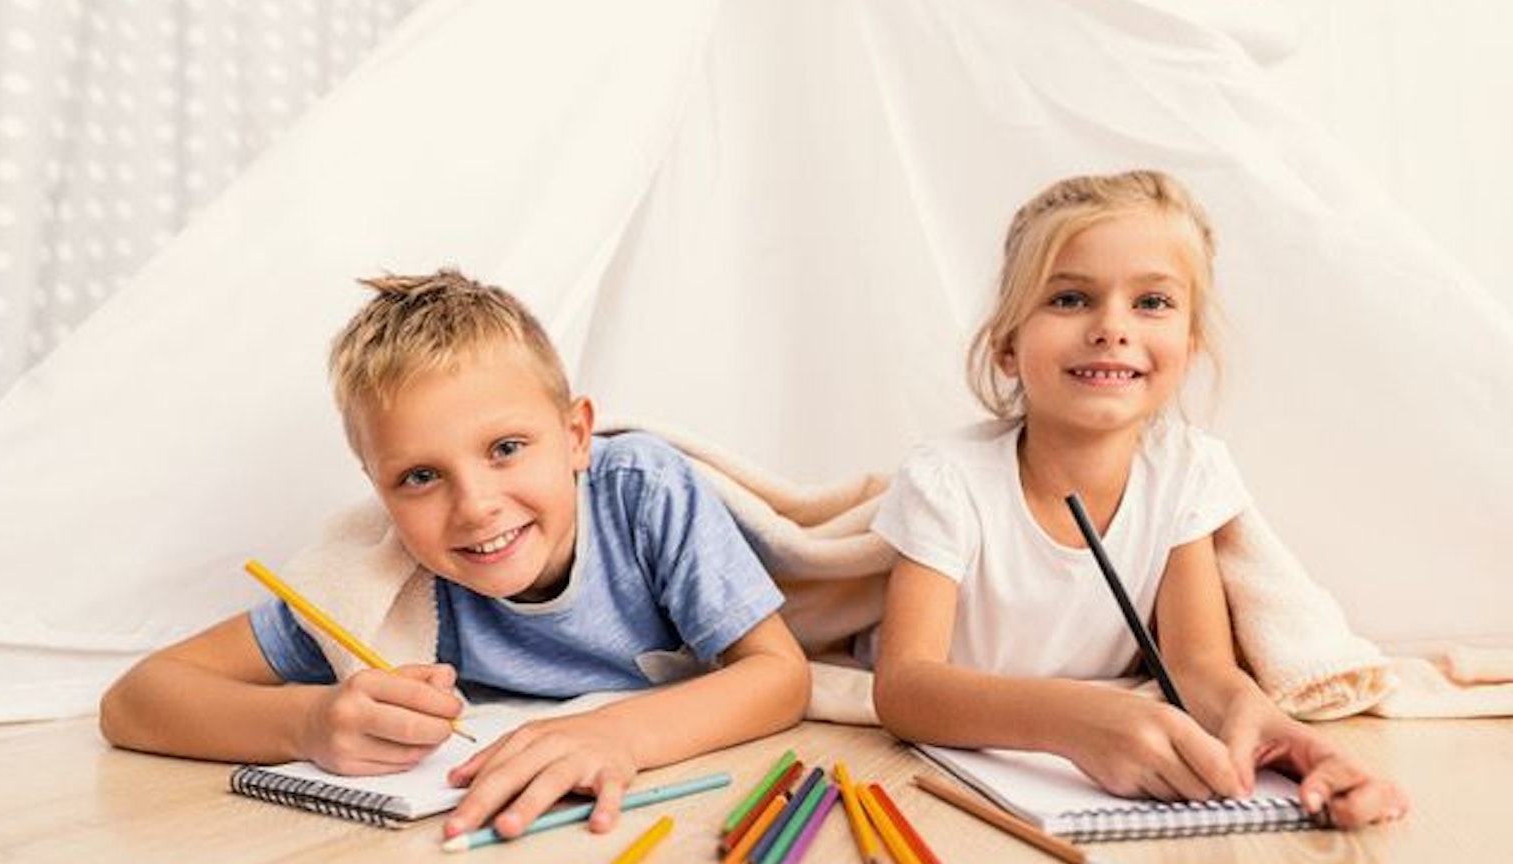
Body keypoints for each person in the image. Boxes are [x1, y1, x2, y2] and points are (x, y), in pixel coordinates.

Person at [100, 268, 810, 839]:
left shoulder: (644, 493)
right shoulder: (376, 578)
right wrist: (309, 723)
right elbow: (135, 700)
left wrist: (617, 737)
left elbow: (781, 674)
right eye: (420, 477)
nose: (475, 506)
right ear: (378, 489)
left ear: (575, 437)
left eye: (506, 448)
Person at [870, 170, 1407, 827]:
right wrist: (1077, 720)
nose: (1111, 328)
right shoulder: (948, 480)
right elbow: (904, 686)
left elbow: (1200, 668)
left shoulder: (1186, 473)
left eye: (1152, 302)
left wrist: (1274, 729)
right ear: (1008, 345)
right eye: (1069, 298)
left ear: (1190, 345)